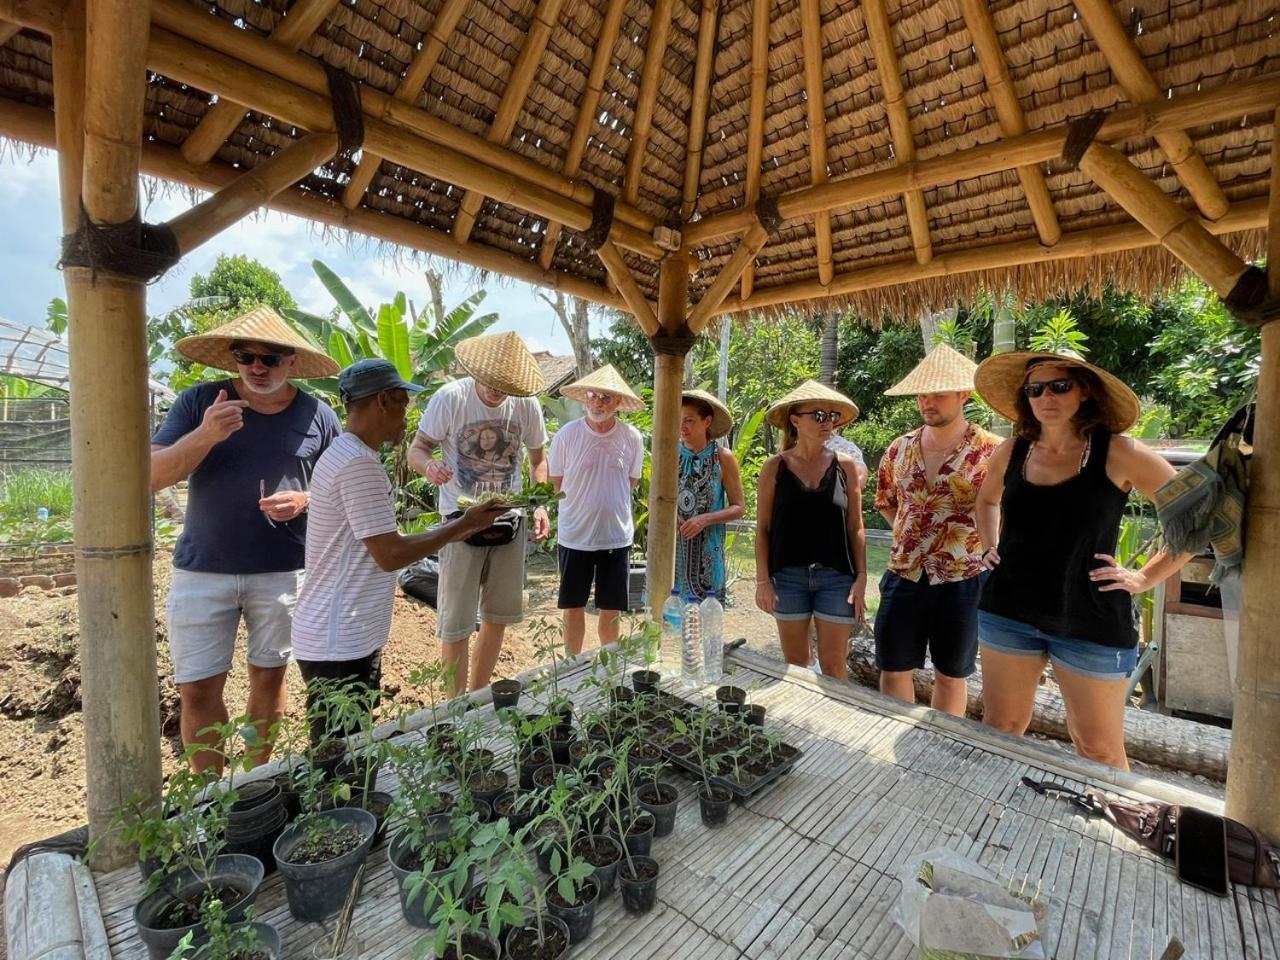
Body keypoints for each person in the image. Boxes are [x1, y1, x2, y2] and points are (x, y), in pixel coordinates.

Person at [973, 350, 1191, 769]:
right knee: (1001, 726)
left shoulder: (1119, 453)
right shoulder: (1014, 451)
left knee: (1098, 749)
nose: (1045, 397)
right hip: (1008, 610)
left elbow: (1197, 516)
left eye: (1060, 386)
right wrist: (987, 545)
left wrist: (1145, 577)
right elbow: (986, 500)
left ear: (1085, 391)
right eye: (1035, 389)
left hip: (1090, 618)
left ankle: (1114, 832)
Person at [151, 306, 341, 773]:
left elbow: (342, 486)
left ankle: (257, 779)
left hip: (283, 569)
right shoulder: (199, 403)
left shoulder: (318, 413)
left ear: (292, 361)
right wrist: (205, 435)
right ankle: (209, 796)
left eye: (271, 358)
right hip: (202, 569)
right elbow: (151, 475)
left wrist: (307, 499)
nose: (257, 367)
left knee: (269, 677)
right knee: (196, 687)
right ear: (232, 358)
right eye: (246, 356)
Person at [292, 360, 507, 741]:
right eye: (404, 405)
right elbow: (389, 554)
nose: (408, 418)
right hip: (338, 638)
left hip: (341, 632)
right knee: (341, 757)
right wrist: (463, 525)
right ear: (381, 402)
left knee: (350, 747)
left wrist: (459, 527)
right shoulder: (358, 464)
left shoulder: (348, 454)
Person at [407, 331, 550, 695]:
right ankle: (455, 705)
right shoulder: (450, 398)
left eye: (505, 385)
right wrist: (430, 468)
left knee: (497, 616)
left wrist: (540, 503)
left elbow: (538, 461)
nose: (495, 390)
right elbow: (417, 450)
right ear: (476, 370)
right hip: (460, 521)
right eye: (489, 382)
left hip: (508, 520)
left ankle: (479, 696)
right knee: (455, 622)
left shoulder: (526, 405)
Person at [873, 345, 1000, 716]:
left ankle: (942, 746)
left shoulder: (992, 451)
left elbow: (1003, 508)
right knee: (893, 666)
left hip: (963, 577)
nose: (928, 402)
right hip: (904, 572)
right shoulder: (899, 449)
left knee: (951, 673)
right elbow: (886, 500)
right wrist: (913, 536)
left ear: (964, 395)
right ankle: (891, 730)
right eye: (923, 394)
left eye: (938, 394)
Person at [755, 380, 866, 679]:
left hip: (837, 578)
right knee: (796, 667)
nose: (827, 422)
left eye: (831, 416)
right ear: (795, 420)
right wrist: (762, 581)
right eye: (818, 415)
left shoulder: (846, 466)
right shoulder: (774, 467)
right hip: (788, 578)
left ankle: (833, 725)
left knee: (833, 668)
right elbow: (763, 528)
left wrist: (862, 578)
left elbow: (855, 525)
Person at [550, 365, 646, 653]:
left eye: (606, 398)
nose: (597, 403)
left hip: (615, 537)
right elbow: (555, 484)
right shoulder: (566, 436)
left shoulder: (632, 438)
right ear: (584, 399)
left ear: (618, 403)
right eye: (592, 396)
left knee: (612, 608)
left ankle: (611, 669)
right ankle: (571, 666)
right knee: (573, 607)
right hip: (574, 535)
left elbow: (630, 482)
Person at [675, 390, 745, 602]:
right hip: (673, 549)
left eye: (689, 420)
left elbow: (739, 507)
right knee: (672, 620)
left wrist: (704, 519)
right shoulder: (669, 453)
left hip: (709, 550)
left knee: (708, 619)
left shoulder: (722, 458)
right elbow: (657, 498)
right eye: (678, 420)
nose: (682, 427)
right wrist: (670, 515)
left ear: (707, 421)